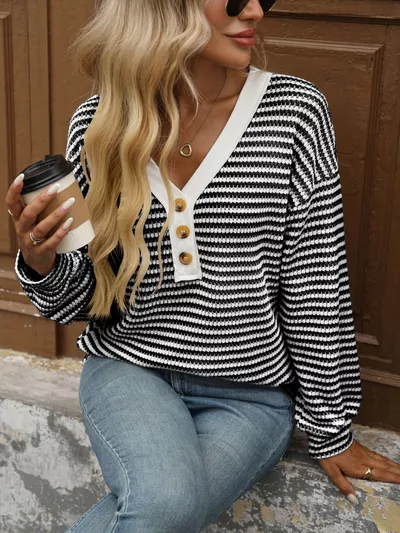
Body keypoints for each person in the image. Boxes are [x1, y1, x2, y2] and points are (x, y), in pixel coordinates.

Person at [6, 0, 400, 531]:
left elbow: (316, 284)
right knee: (164, 503)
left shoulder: (294, 114)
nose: (255, 11)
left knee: (161, 508)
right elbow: (84, 300)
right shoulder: (100, 124)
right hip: (130, 370)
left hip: (250, 397)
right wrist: (42, 261)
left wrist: (331, 430)